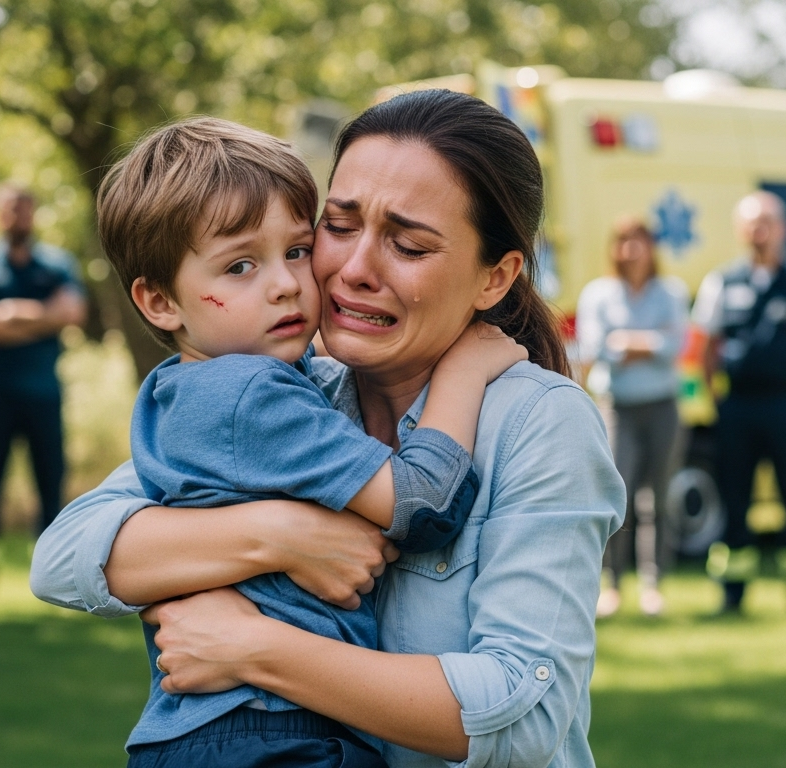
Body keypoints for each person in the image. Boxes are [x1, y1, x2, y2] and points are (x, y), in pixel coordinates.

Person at [32, 89, 625, 767]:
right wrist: (280, 538)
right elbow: (64, 556)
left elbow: (525, 715)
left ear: (496, 277)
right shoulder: (292, 393)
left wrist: (258, 649)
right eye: (338, 228)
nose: (353, 269)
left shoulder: (538, 422)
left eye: (407, 244)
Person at [95, 115, 527, 765]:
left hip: (219, 727)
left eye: (297, 250)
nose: (286, 284)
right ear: (159, 302)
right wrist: (464, 371)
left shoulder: (179, 390)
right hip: (272, 731)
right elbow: (422, 506)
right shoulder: (251, 398)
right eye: (240, 265)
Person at [692, 191, 786, 615]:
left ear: (783, 228)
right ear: (741, 230)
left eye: (767, 222)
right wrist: (716, 398)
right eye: (752, 222)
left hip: (784, 406)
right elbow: (707, 345)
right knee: (735, 501)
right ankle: (732, 593)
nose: (760, 231)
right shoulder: (723, 281)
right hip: (738, 407)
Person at [0, 184, 87, 615]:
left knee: (51, 492)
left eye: (25, 209)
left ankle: (55, 588)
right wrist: (42, 320)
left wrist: (12, 315)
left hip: (43, 396)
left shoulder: (57, 265)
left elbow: (73, 313)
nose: (19, 217)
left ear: (35, 214)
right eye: (11, 210)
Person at [576, 217, 689, 618]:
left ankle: (653, 584)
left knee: (657, 497)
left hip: (662, 405)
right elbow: (595, 346)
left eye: (639, 240)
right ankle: (612, 584)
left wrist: (625, 342)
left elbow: (676, 344)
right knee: (615, 494)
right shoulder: (600, 293)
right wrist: (646, 342)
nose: (632, 249)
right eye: (624, 241)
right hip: (617, 407)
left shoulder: (670, 292)